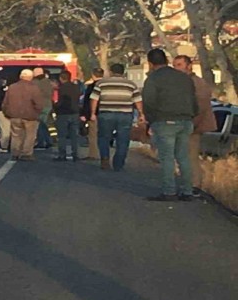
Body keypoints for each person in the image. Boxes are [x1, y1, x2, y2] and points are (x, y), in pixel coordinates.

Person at [144, 49, 199, 201]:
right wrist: (191, 115)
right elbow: (194, 100)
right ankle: (187, 191)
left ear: (150, 63)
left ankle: (169, 191)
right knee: (183, 157)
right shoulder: (185, 78)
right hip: (186, 120)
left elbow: (148, 101)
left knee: (167, 157)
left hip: (165, 120)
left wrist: (150, 120)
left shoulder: (153, 78)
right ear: (167, 60)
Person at [173, 55, 217, 196]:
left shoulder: (197, 83)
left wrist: (192, 124)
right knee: (184, 155)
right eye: (175, 65)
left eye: (179, 65)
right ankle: (188, 185)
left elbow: (201, 105)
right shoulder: (183, 82)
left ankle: (195, 186)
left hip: (194, 125)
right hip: (185, 124)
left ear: (189, 65)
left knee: (190, 156)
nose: (176, 68)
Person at [90, 64, 144, 171]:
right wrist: (141, 114)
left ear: (110, 72)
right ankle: (119, 163)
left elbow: (94, 99)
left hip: (106, 114)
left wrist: (92, 113)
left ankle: (105, 159)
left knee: (104, 137)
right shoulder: (131, 84)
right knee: (123, 140)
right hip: (125, 114)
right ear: (123, 72)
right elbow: (138, 100)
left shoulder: (102, 83)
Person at [2, 69, 44, 162]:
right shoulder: (34, 88)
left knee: (16, 135)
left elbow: (5, 102)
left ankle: (15, 153)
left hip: (14, 115)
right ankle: (26, 153)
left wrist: (6, 113)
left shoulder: (12, 87)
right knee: (30, 135)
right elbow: (39, 103)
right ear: (31, 77)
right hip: (30, 116)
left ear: (20, 76)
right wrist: (38, 112)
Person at [54, 71, 82, 162]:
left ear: (61, 78)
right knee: (74, 135)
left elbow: (59, 102)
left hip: (63, 113)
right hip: (75, 113)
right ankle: (75, 155)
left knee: (62, 135)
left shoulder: (61, 88)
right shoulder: (76, 87)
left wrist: (55, 107)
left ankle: (62, 154)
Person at [81, 68, 104, 161]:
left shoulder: (91, 86)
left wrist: (85, 114)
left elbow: (87, 101)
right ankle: (104, 154)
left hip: (94, 114)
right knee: (104, 135)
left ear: (93, 75)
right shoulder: (106, 85)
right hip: (106, 113)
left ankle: (93, 154)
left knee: (93, 134)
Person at [33, 67, 54, 150]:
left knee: (40, 124)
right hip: (48, 105)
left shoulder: (35, 82)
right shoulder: (48, 82)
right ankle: (48, 141)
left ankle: (41, 142)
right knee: (45, 124)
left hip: (40, 106)